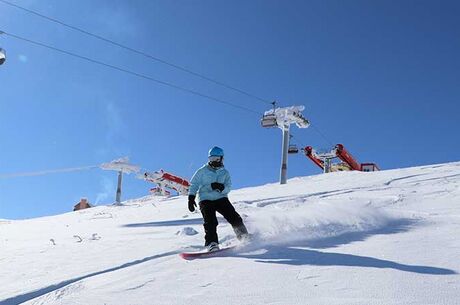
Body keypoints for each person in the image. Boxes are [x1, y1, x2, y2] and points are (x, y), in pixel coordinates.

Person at [188, 146, 249, 251]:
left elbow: (228, 187)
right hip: (205, 199)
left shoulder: (225, 173)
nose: (214, 161)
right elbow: (194, 184)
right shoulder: (202, 171)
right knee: (210, 221)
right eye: (211, 159)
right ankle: (212, 243)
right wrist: (191, 197)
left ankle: (244, 237)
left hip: (221, 198)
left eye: (216, 159)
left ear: (221, 158)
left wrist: (222, 188)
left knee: (234, 217)